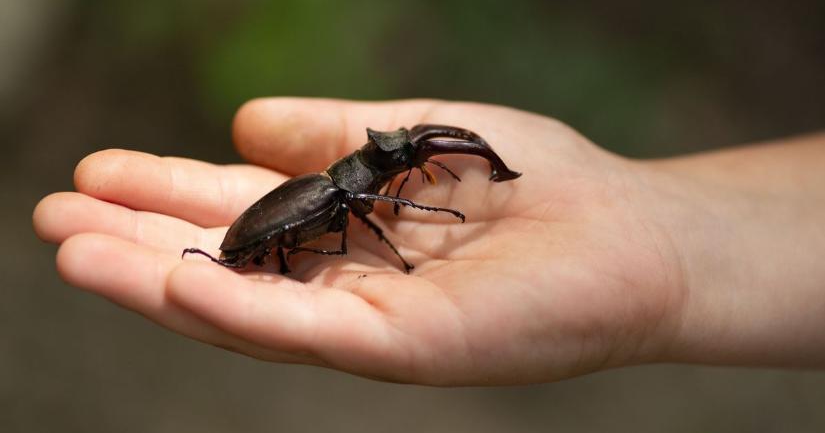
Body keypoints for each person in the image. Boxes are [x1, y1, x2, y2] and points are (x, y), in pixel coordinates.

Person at [32, 98, 825, 385]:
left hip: (305, 208)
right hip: (264, 231)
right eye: (401, 155)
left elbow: (369, 197)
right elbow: (366, 209)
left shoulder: (348, 184)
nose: (411, 159)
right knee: (325, 226)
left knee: (337, 222)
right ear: (372, 166)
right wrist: (420, 237)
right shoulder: (344, 193)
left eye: (406, 155)